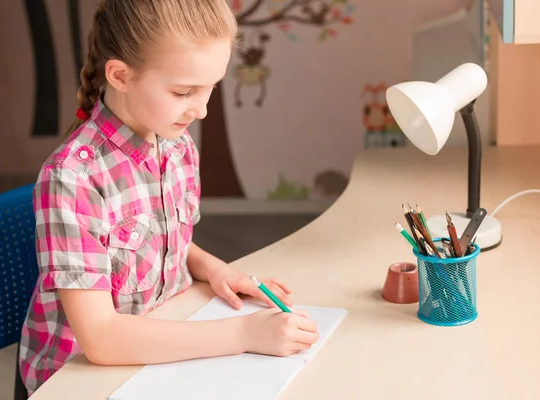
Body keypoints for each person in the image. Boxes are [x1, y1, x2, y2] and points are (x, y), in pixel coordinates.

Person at [18, 0, 319, 395]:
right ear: (121, 76)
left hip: (160, 343)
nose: (203, 109)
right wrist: (245, 333)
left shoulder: (175, 147)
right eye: (184, 91)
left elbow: (160, 242)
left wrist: (214, 269)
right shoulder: (71, 178)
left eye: (212, 88)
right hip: (80, 377)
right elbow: (101, 338)